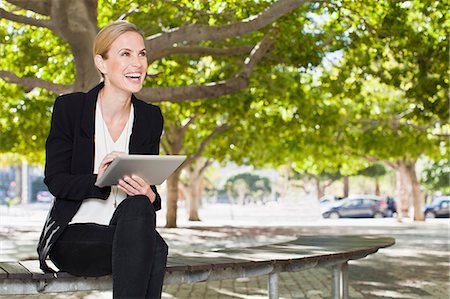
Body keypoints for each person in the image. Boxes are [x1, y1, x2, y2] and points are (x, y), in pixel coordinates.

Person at [37, 20, 167, 299]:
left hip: (129, 227)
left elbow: (150, 188)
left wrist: (150, 195)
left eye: (142, 54)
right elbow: (56, 181)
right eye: (126, 54)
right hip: (73, 235)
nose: (138, 63)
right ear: (102, 63)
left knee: (141, 208)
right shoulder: (70, 109)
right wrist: (100, 180)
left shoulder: (149, 117)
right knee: (155, 248)